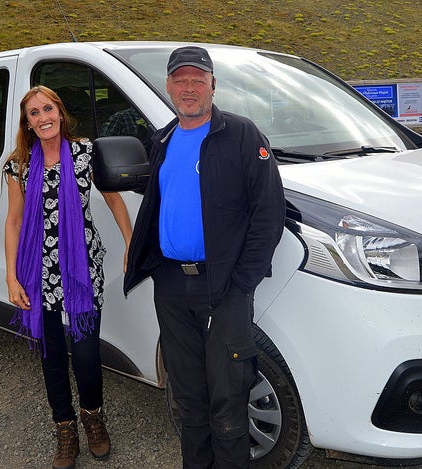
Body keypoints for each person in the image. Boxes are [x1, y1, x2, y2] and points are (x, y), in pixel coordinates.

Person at [124, 46, 285, 468]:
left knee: (228, 400)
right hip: (173, 286)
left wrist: (242, 284)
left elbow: (269, 212)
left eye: (198, 79)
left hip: (225, 287)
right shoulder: (162, 139)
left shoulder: (241, 135)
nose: (189, 87)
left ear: (214, 85)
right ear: (169, 87)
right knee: (189, 399)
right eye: (181, 80)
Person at [3, 85, 132, 469]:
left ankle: (93, 417)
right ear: (27, 123)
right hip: (37, 272)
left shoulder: (85, 153)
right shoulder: (19, 165)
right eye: (33, 113)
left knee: (88, 353)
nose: (42, 118)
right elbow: (13, 221)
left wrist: (130, 244)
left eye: (48, 109)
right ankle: (65, 427)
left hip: (80, 270)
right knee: (52, 354)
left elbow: (113, 199)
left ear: (60, 112)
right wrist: (11, 276)